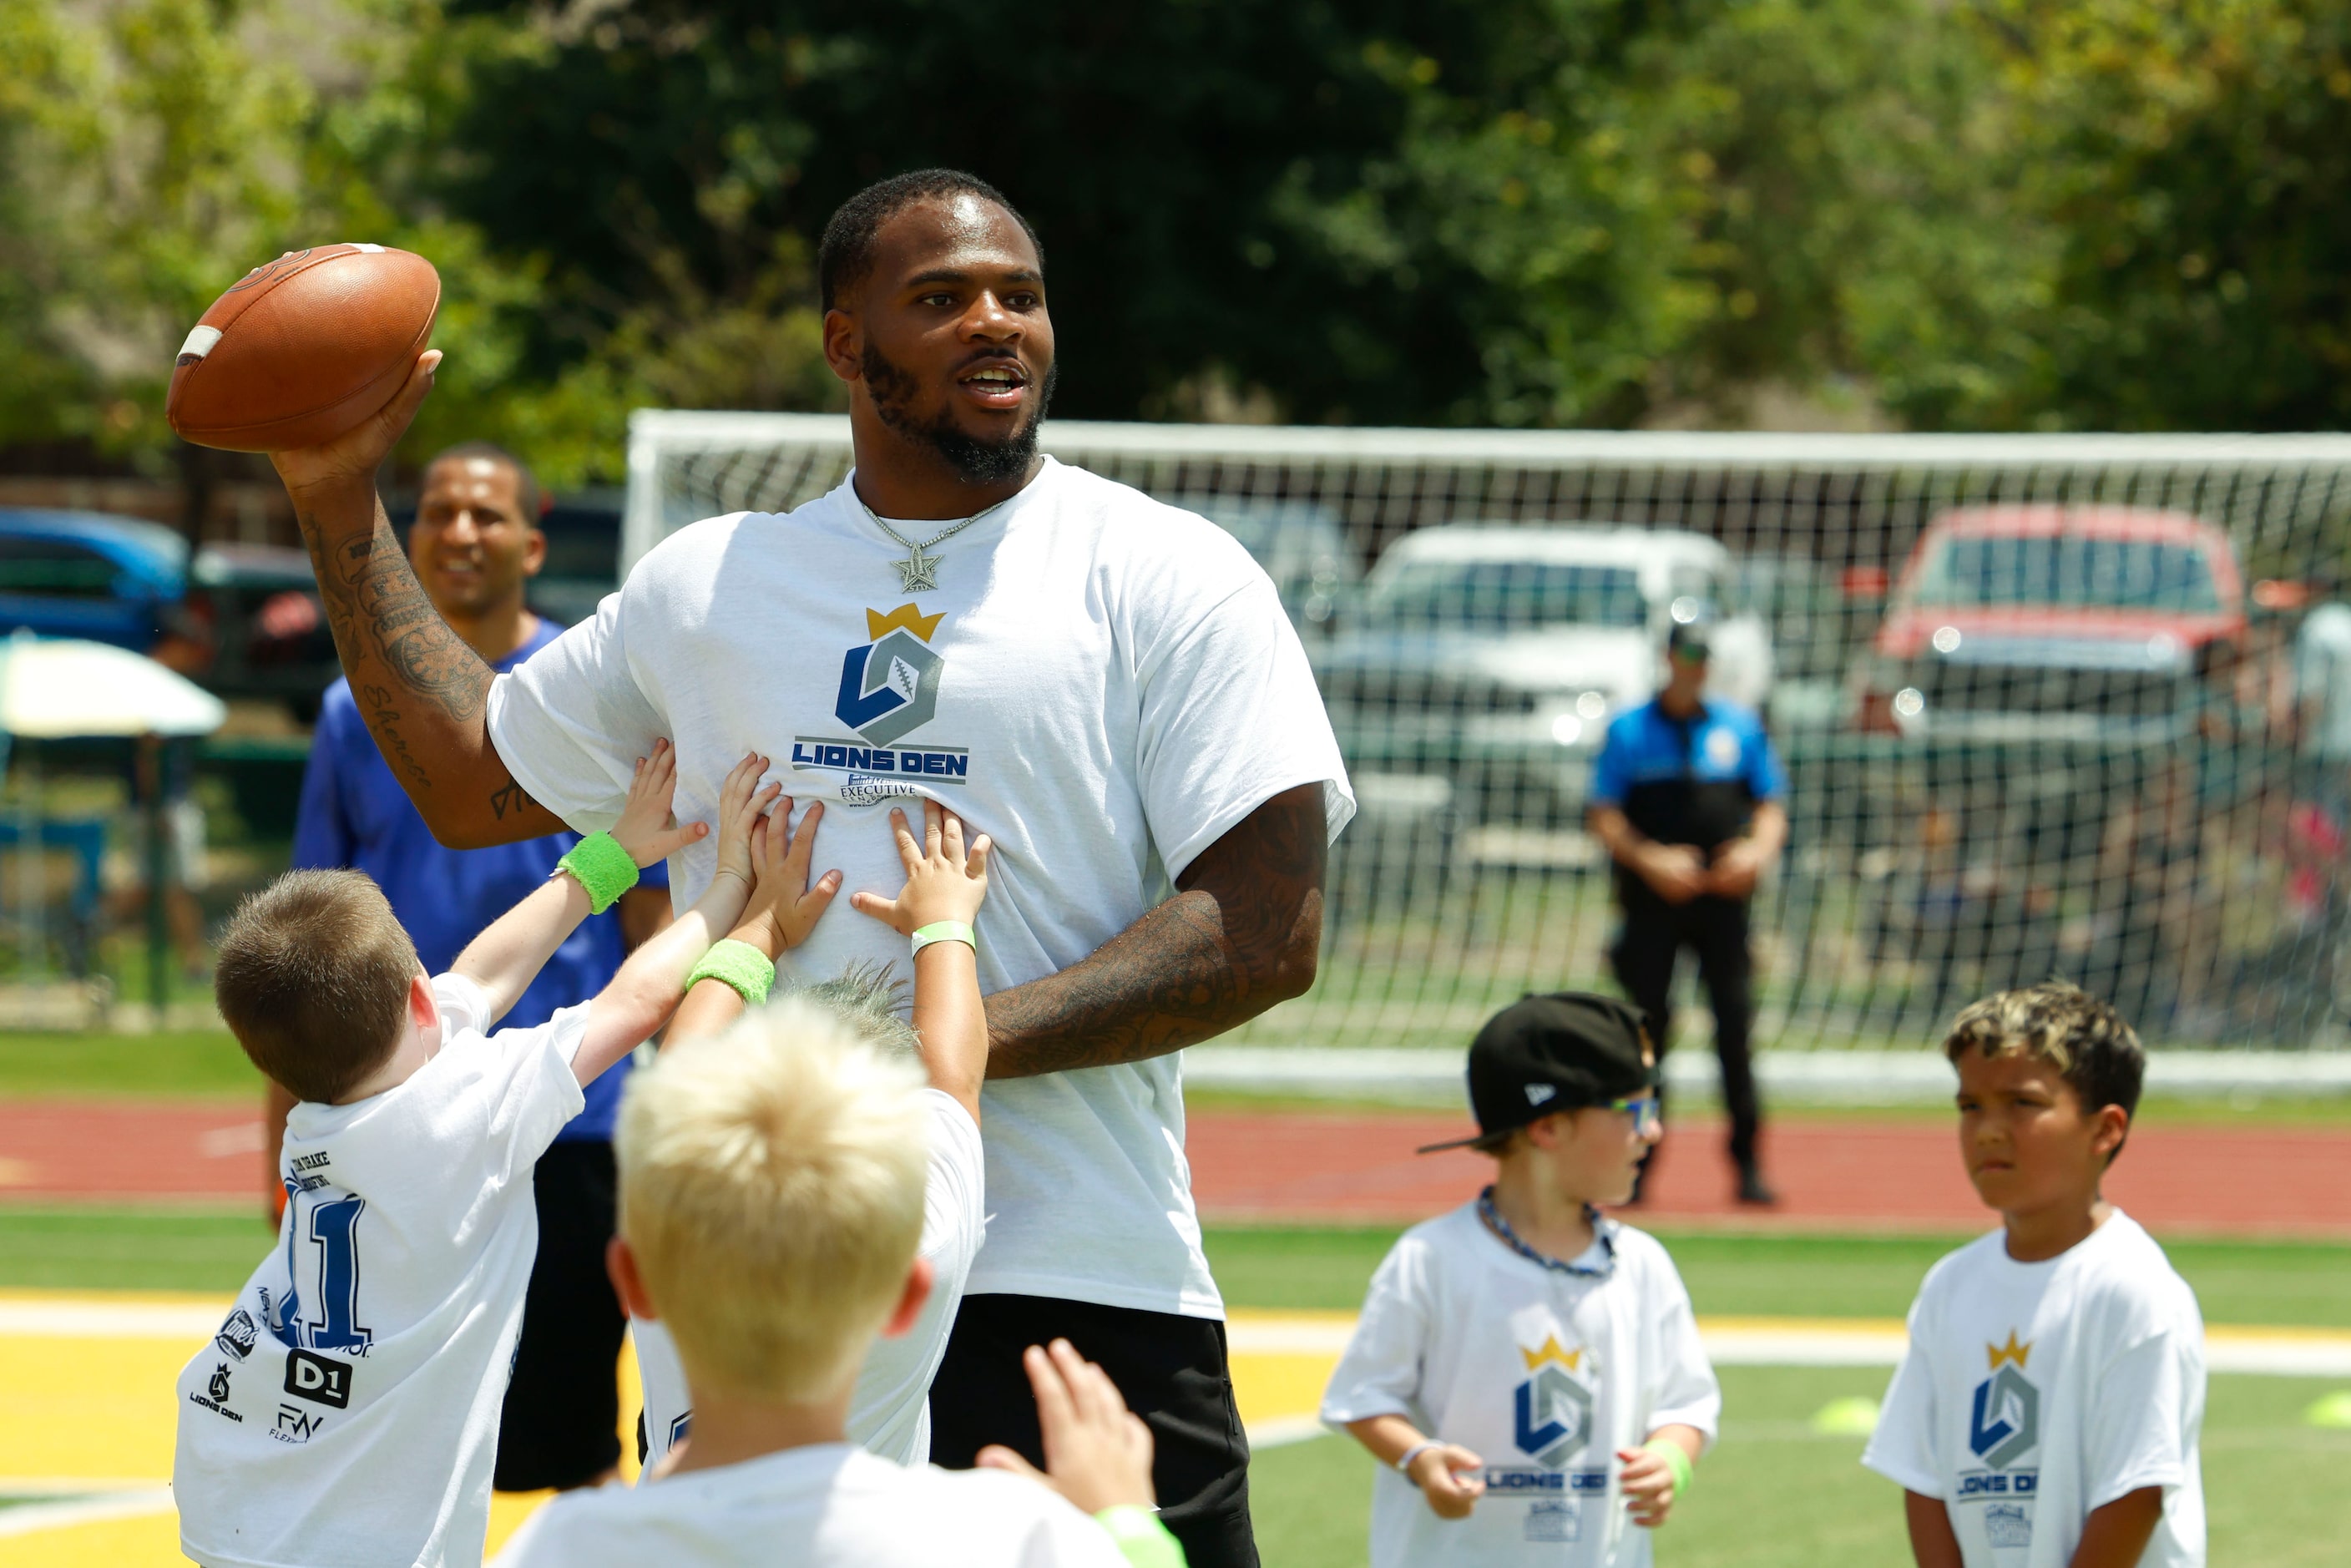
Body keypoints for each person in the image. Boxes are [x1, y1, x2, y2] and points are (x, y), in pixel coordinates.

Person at [264, 167, 1352, 1565]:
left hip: (1070, 1266)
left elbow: (1267, 927)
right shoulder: (710, 581)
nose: (995, 323)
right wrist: (334, 492)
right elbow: (475, 775)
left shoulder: (1166, 573)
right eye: (942, 297)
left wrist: (907, 1062)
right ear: (847, 344)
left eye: (1017, 294)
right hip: (753, 1289)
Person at [174, 745, 771, 1568]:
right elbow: (632, 1004)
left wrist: (610, 857)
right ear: (418, 999)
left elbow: (482, 977)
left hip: (245, 1474)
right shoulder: (462, 1113)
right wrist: (736, 892)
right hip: (348, 1534)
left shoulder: (331, 1107)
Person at [277, 438, 672, 1493]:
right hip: (393, 1109)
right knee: (392, 1431)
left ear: (533, 543)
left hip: (573, 1111)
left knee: (576, 1425)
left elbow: (648, 911)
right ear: (406, 541)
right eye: (438, 511)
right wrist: (282, 1136)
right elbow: (311, 936)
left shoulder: (589, 694)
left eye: (486, 514)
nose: (458, 531)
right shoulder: (347, 712)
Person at [489, 998, 1187, 1568]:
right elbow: (954, 1080)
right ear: (906, 1297)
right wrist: (1124, 1526)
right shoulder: (1001, 1536)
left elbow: (672, 1078)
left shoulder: (567, 1546)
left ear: (633, 1283)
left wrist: (746, 913)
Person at [632, 797, 989, 1469]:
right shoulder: (922, 1248)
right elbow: (953, 1070)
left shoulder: (669, 1241)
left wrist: (763, 923)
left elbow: (680, 1065)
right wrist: (943, 922)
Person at [1320, 993, 1719, 1567]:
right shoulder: (1432, 1259)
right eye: (1634, 1111)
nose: (1653, 1130)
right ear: (1550, 1127)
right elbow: (1361, 1396)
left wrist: (1671, 1460)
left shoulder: (1643, 1264)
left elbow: (1687, 1403)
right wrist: (1421, 1459)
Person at [1861, 982, 2207, 1568]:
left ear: (2105, 1130)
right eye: (1971, 1106)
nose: (1988, 1129)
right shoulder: (1951, 1286)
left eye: (2022, 1104)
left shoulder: (2132, 1289)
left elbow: (2136, 1494)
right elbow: (1923, 1477)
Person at [1587, 613, 1787, 1204]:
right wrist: (1653, 861)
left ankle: (1748, 1163)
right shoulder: (1629, 731)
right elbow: (1605, 814)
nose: (1693, 668)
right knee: (1647, 1037)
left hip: (1724, 906)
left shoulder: (1739, 727)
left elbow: (1771, 804)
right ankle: (1637, 1165)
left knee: (1734, 1031)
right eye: (1685, 656)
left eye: (1703, 658)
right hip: (1653, 904)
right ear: (1668, 658)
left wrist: (1755, 853)